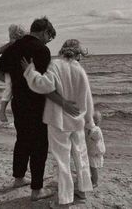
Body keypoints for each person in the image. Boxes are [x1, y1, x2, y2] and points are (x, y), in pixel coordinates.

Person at [0, 17, 78, 202]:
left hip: (18, 102)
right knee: (39, 145)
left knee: (22, 139)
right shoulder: (42, 50)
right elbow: (44, 83)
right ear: (44, 32)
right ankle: (36, 189)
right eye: (50, 36)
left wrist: (17, 85)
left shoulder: (13, 47)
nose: (49, 40)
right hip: (37, 103)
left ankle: (18, 178)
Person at [21, 39, 96, 208]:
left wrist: (29, 71)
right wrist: (90, 122)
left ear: (62, 50)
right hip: (77, 120)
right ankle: (82, 191)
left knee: (62, 160)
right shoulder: (80, 70)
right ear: (78, 54)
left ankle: (65, 200)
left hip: (59, 120)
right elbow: (88, 99)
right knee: (80, 155)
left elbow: (43, 85)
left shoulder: (55, 65)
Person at [0, 24, 26, 122]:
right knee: (9, 87)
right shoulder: (7, 43)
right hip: (9, 68)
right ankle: (2, 112)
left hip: (17, 68)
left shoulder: (23, 43)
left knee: (11, 86)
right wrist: (10, 43)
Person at [85, 110, 105, 187]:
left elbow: (96, 136)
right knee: (91, 166)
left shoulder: (96, 130)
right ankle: (93, 178)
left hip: (95, 152)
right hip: (92, 151)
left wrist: (90, 132)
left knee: (93, 167)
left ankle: (95, 182)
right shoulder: (91, 128)